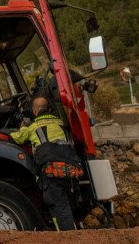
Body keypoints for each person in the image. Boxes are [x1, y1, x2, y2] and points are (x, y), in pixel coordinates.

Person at [10, 96, 84, 231]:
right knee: (66, 206)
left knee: (59, 207)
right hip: (71, 171)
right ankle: (68, 233)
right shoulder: (61, 122)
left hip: (52, 171)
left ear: (34, 110)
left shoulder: (32, 126)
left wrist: (21, 126)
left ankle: (70, 238)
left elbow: (17, 138)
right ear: (48, 109)